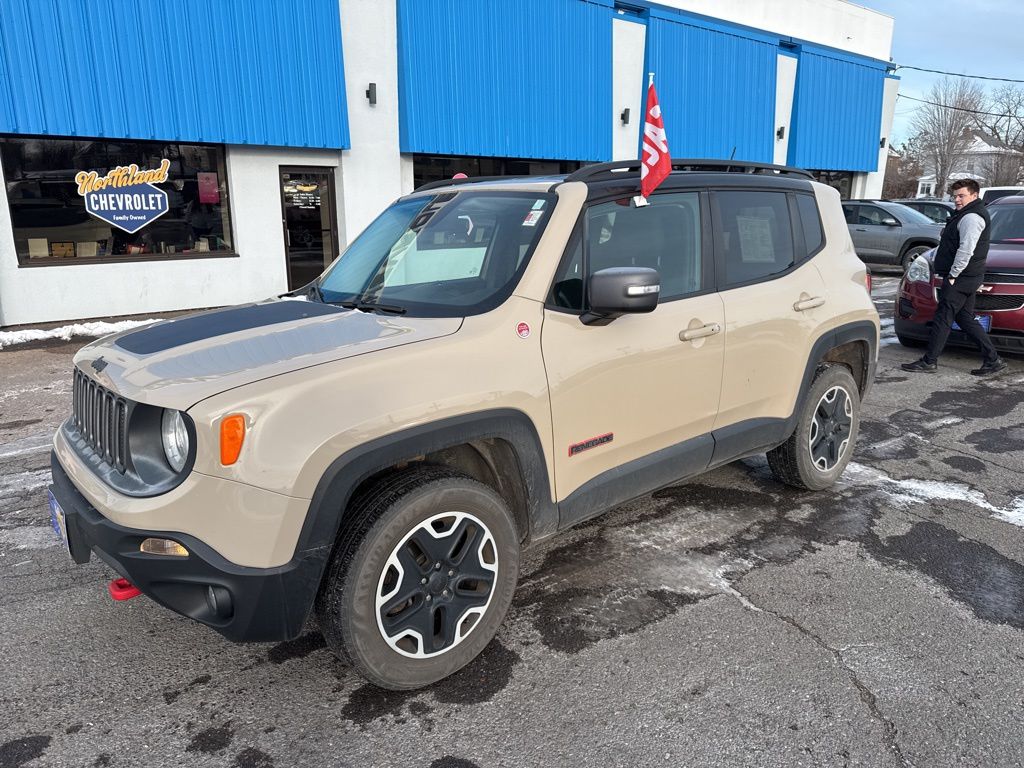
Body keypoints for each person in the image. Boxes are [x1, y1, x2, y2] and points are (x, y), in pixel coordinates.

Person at [902, 179, 1006, 376]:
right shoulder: (965, 214)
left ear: (974, 196)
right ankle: (993, 359)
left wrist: (953, 274)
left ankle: (929, 361)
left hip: (961, 277)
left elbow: (966, 249)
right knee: (965, 318)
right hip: (967, 276)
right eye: (955, 196)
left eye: (961, 196)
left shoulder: (971, 218)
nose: (957, 200)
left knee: (943, 317)